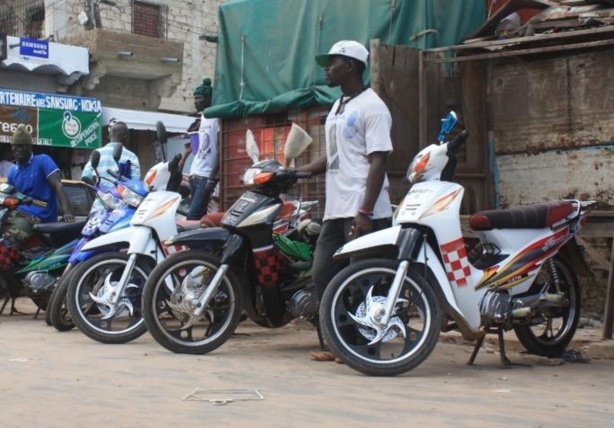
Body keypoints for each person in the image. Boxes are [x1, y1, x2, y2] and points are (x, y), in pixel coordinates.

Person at [297, 40, 394, 361]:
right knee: (323, 275)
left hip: (364, 209)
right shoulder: (339, 107)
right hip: (336, 209)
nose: (327, 68)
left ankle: (366, 349)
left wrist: (365, 211)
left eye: (333, 62)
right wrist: (299, 172)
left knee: (363, 284)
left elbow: (378, 160)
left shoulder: (373, 106)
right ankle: (340, 345)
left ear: (351, 65)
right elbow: (336, 155)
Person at [5, 124, 75, 246]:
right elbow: (10, 196)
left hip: (41, 217)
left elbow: (57, 185)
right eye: (15, 147)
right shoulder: (13, 171)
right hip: (21, 215)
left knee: (10, 241)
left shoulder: (42, 160)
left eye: (22, 146)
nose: (18, 150)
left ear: (29, 147)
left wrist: (67, 211)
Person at [180, 78, 220, 220]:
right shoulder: (203, 117)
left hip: (205, 177)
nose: (196, 102)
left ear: (209, 98)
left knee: (193, 217)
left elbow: (220, 151)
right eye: (195, 98)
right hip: (195, 174)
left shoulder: (217, 118)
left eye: (199, 98)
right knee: (198, 217)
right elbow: (201, 148)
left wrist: (211, 179)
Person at [81, 121, 140, 210]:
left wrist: (98, 192)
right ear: (125, 136)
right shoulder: (131, 156)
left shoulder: (97, 153)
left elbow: (85, 177)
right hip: (122, 208)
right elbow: (135, 184)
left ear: (109, 136)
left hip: (99, 207)